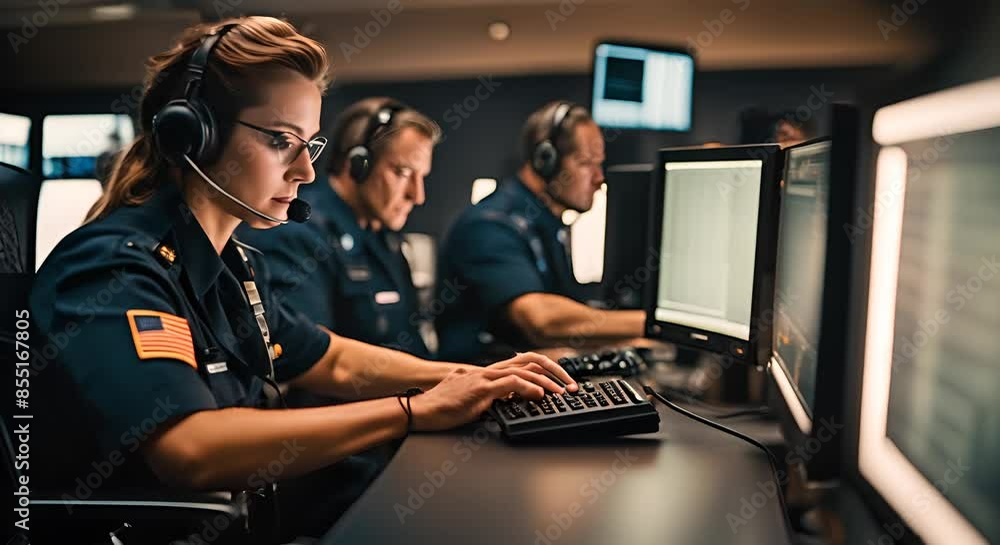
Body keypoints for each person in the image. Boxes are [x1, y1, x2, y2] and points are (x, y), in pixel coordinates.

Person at [29, 17, 574, 543]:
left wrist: (468, 378)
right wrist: (412, 410)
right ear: (194, 136)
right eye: (280, 141)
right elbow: (190, 448)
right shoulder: (115, 269)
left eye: (307, 144)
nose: (306, 171)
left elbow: (331, 359)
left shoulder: (232, 266)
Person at [435, 101, 646, 362]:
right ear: (546, 160)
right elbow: (542, 320)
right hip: (476, 381)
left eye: (599, 164)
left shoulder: (548, 224)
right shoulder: (490, 225)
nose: (599, 178)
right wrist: (654, 323)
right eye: (586, 163)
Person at [238, 97, 438, 360]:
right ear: (358, 164)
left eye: (421, 177)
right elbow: (311, 361)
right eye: (402, 172)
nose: (417, 195)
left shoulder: (384, 238)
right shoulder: (297, 233)